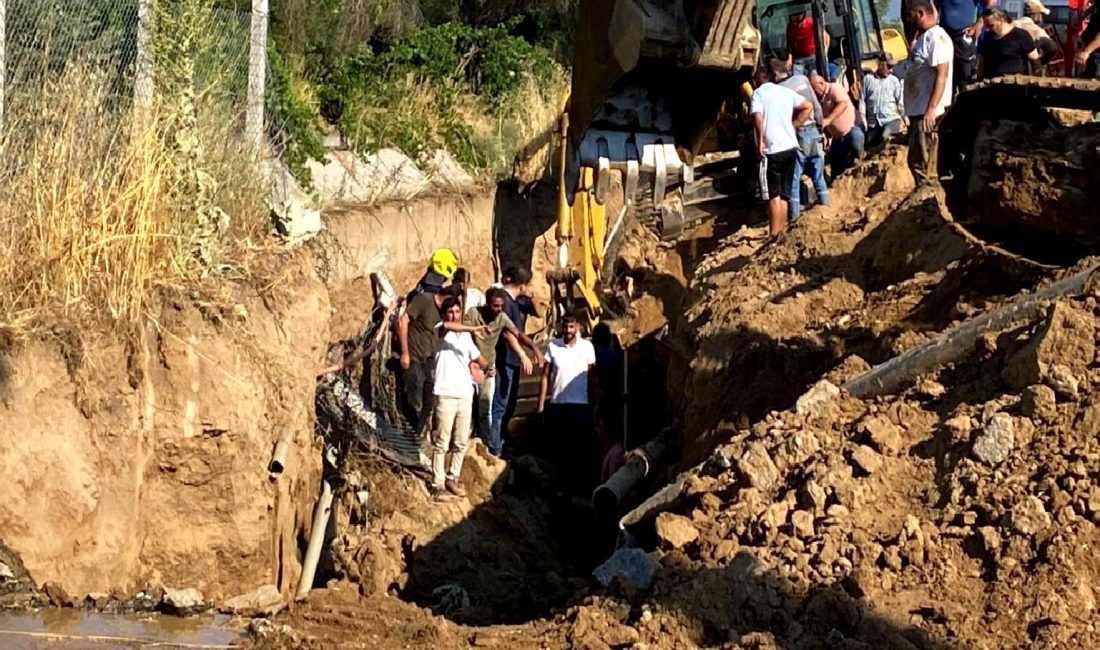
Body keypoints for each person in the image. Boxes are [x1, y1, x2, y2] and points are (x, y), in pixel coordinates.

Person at [461, 287, 540, 456]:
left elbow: (516, 334)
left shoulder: (502, 317)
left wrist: (531, 350)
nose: (499, 309)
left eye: (501, 306)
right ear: (488, 304)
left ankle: (486, 447)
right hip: (469, 366)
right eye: (496, 306)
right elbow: (464, 335)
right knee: (466, 404)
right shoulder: (473, 314)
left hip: (488, 368)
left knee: (485, 407)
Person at [428, 296, 490, 500]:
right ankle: (437, 483)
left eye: (456, 311)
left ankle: (452, 476)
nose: (453, 315)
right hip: (445, 393)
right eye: (450, 312)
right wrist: (472, 329)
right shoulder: (440, 331)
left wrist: (488, 367)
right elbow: (446, 326)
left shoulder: (465, 338)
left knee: (461, 440)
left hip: (465, 393)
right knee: (442, 441)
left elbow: (478, 358)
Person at [538, 314, 598, 493]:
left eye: (572, 327)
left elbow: (593, 377)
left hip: (580, 405)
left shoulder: (587, 347)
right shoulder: (553, 346)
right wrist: (541, 405)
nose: (568, 331)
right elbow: (545, 377)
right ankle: (559, 488)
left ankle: (578, 488)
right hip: (558, 405)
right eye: (566, 327)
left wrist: (595, 404)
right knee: (558, 448)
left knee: (579, 448)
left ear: (578, 327)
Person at [751, 69, 814, 238]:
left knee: (773, 195)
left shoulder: (758, 94)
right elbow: (808, 106)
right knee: (784, 194)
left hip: (772, 151)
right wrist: (794, 125)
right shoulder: (785, 92)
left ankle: (772, 234)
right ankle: (781, 233)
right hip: (790, 148)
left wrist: (761, 141)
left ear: (756, 82)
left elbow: (757, 117)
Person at [773, 55, 830, 221]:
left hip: (799, 134)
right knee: (818, 175)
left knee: (794, 178)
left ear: (775, 74)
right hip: (814, 132)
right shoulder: (803, 79)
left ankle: (794, 217)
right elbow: (816, 106)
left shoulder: (779, 90)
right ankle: (826, 209)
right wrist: (821, 129)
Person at [490, 267, 540, 453]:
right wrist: (523, 354)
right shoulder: (504, 302)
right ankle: (495, 447)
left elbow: (538, 313)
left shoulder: (517, 302)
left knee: (508, 405)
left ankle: (502, 441)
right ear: (523, 286)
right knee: (499, 406)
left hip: (512, 361)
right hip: (504, 360)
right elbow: (507, 333)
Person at [905, 0, 954, 187]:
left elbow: (942, 75)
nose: (909, 20)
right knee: (916, 160)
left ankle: (927, 202)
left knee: (922, 162)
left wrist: (931, 109)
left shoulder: (937, 38)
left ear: (920, 13)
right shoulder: (925, 38)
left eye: (911, 15)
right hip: (918, 110)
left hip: (927, 112)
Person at [397, 287, 450, 439]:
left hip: (428, 359)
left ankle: (414, 438)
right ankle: (407, 439)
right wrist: (405, 353)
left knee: (429, 400)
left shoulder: (443, 313)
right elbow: (403, 321)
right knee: (414, 402)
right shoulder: (424, 300)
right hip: (414, 358)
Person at [810, 72, 864, 180]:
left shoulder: (835, 88)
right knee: (835, 166)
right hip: (838, 138)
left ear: (821, 83)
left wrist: (829, 120)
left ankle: (858, 159)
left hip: (852, 130)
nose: (814, 93)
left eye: (815, 89)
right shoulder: (817, 100)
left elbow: (843, 104)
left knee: (856, 137)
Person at [934, 0, 994, 92]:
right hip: (944, 35)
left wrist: (980, 22)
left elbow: (991, 2)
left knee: (965, 77)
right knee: (945, 75)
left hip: (964, 35)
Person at [978, 8, 1040, 79]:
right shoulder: (988, 37)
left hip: (1014, 82)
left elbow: (1035, 59)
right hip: (992, 83)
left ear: (1001, 20)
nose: (988, 29)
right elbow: (982, 61)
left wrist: (1036, 81)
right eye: (986, 26)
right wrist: (979, 80)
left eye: (991, 25)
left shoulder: (1021, 35)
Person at [862, 54, 906, 151]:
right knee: (870, 145)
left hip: (891, 119)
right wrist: (863, 119)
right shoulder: (868, 79)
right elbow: (862, 101)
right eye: (889, 67)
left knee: (884, 135)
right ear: (881, 64)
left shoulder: (894, 81)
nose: (891, 70)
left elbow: (900, 102)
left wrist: (905, 118)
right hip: (873, 122)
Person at [1013, 0, 1059, 67]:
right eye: (1041, 14)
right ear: (1035, 15)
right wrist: (1042, 61)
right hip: (1025, 69)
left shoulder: (1010, 25)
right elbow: (1051, 47)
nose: (1042, 18)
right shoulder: (1037, 30)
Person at [786, 10, 829, 75]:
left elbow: (826, 37)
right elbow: (789, 44)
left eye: (799, 21)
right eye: (794, 22)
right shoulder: (790, 28)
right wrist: (789, 58)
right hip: (800, 58)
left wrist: (824, 53)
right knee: (796, 76)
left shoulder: (812, 23)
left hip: (813, 56)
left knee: (814, 75)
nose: (797, 24)